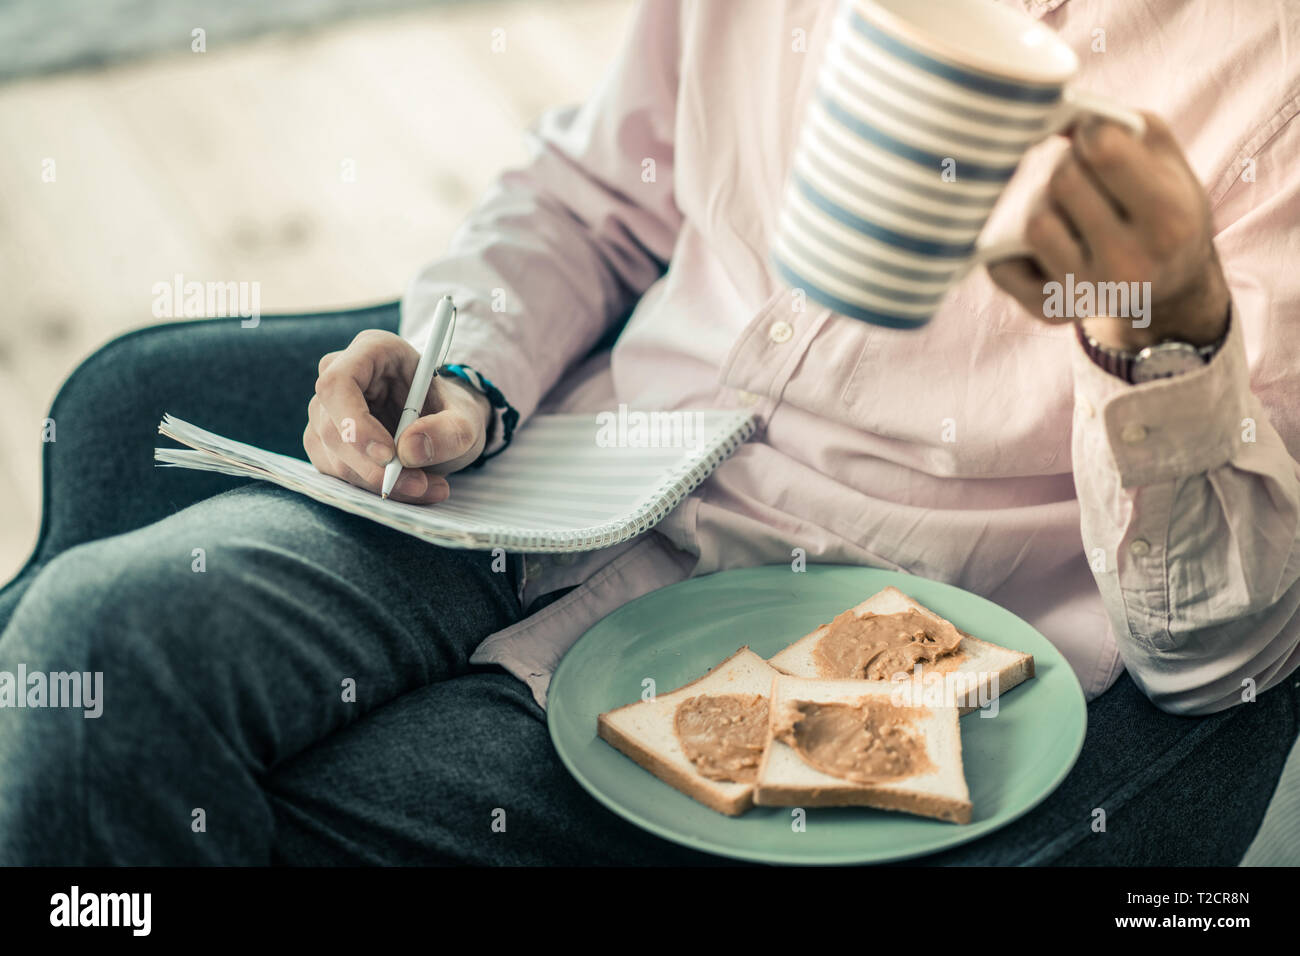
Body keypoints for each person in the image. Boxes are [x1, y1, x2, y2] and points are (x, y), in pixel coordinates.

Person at [1, 0, 1298, 865]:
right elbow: (595, 188)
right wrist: (468, 370)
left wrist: (1158, 330)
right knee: (91, 655)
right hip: (546, 478)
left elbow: (1222, 654)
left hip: (840, 662)